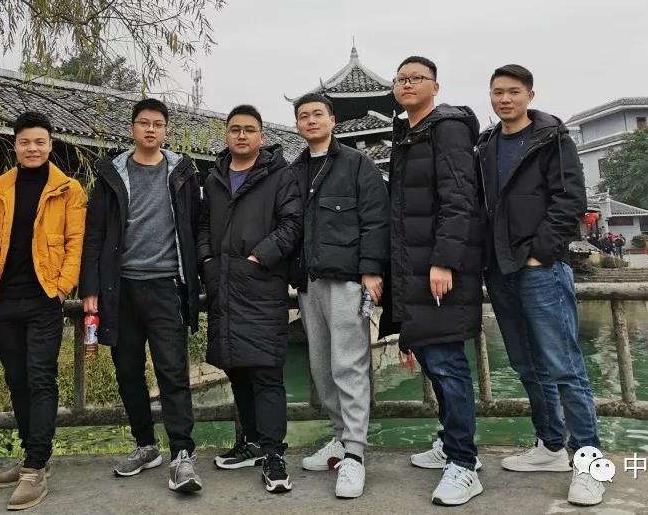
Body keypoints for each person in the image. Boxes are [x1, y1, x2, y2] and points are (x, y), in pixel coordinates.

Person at [477, 64, 605, 507]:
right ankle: (551, 445)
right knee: (526, 364)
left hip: (539, 268)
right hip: (499, 268)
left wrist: (540, 253)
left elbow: (571, 200)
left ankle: (588, 464)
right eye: (497, 92)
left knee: (565, 366)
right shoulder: (486, 145)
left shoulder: (552, 138)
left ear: (530, 95)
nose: (505, 99)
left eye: (513, 91)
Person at [79, 99, 204, 492]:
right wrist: (90, 288)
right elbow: (95, 234)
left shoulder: (182, 172)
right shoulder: (112, 174)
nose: (151, 129)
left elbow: (196, 225)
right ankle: (146, 445)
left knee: (172, 371)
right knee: (128, 371)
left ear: (166, 130)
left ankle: (182, 453)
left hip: (167, 285)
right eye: (144, 123)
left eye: (158, 124)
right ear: (132, 128)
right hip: (122, 288)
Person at [0, 112, 86, 510]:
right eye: (25, 142)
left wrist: (61, 287)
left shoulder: (68, 189)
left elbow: (76, 242)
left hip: (44, 298)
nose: (32, 148)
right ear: (15, 145)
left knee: (40, 377)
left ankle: (36, 467)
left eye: (40, 142)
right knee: (17, 379)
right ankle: (29, 455)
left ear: (50, 145)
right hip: (3, 298)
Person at [387, 56, 485, 507]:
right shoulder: (408, 133)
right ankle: (450, 443)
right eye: (401, 79)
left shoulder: (447, 128)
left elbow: (459, 196)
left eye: (416, 78)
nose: (407, 84)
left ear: (435, 86)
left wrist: (445, 260)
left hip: (439, 270)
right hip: (414, 267)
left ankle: (464, 462)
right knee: (433, 359)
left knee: (447, 364)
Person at [287, 93, 390, 499]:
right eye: (303, 116)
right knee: (320, 366)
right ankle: (339, 438)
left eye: (318, 114)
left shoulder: (358, 164)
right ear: (297, 125)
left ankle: (355, 454)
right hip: (308, 282)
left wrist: (371, 270)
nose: (311, 121)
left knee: (348, 365)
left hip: (346, 279)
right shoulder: (294, 170)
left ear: (332, 120)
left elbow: (375, 219)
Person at [198, 104, 302, 494]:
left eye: (249, 129)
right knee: (236, 366)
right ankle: (253, 443)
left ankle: (274, 454)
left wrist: (260, 256)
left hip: (261, 285)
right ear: (226, 134)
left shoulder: (280, 176)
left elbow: (293, 224)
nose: (241, 135)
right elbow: (202, 224)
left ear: (261, 136)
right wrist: (207, 260)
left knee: (266, 371)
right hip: (224, 284)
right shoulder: (214, 178)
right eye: (235, 129)